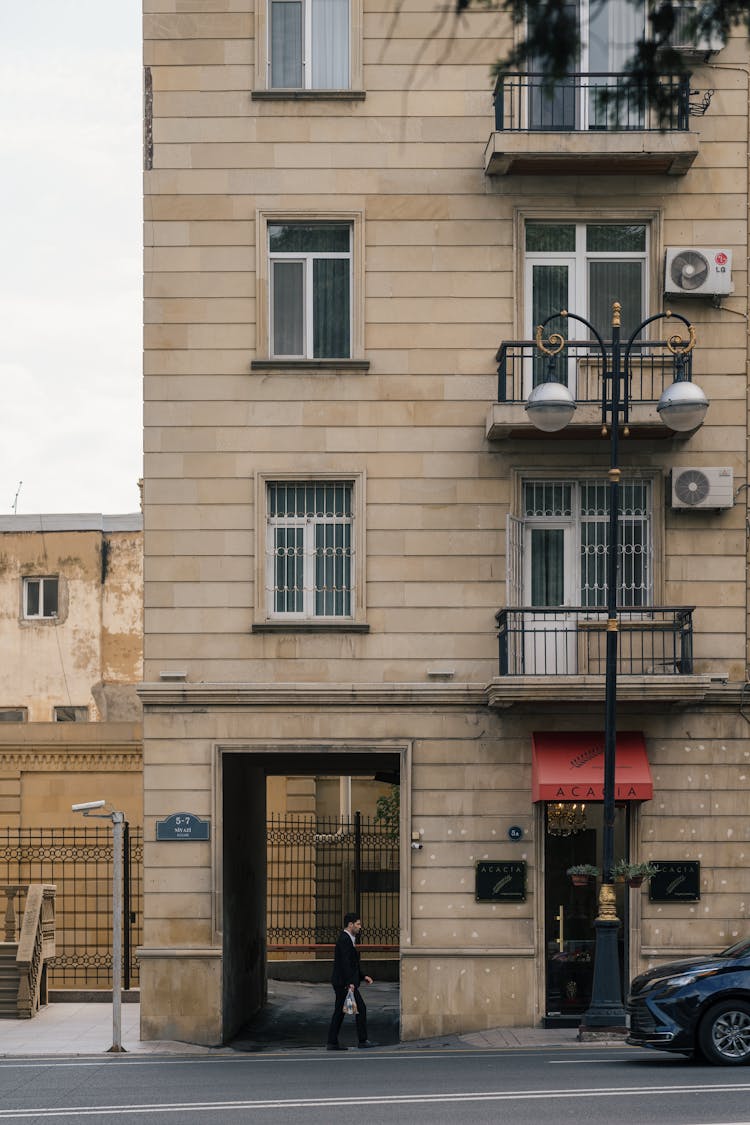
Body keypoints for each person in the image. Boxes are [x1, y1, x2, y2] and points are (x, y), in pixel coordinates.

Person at [326, 912, 377, 1049]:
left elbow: (352, 963)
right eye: (358, 924)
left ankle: (332, 1042)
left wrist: (362, 976)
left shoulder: (348, 939)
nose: (360, 927)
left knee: (340, 1012)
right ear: (350, 925)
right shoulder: (344, 939)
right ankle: (362, 1040)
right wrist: (350, 984)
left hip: (343, 982)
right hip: (344, 983)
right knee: (360, 1009)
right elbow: (345, 964)